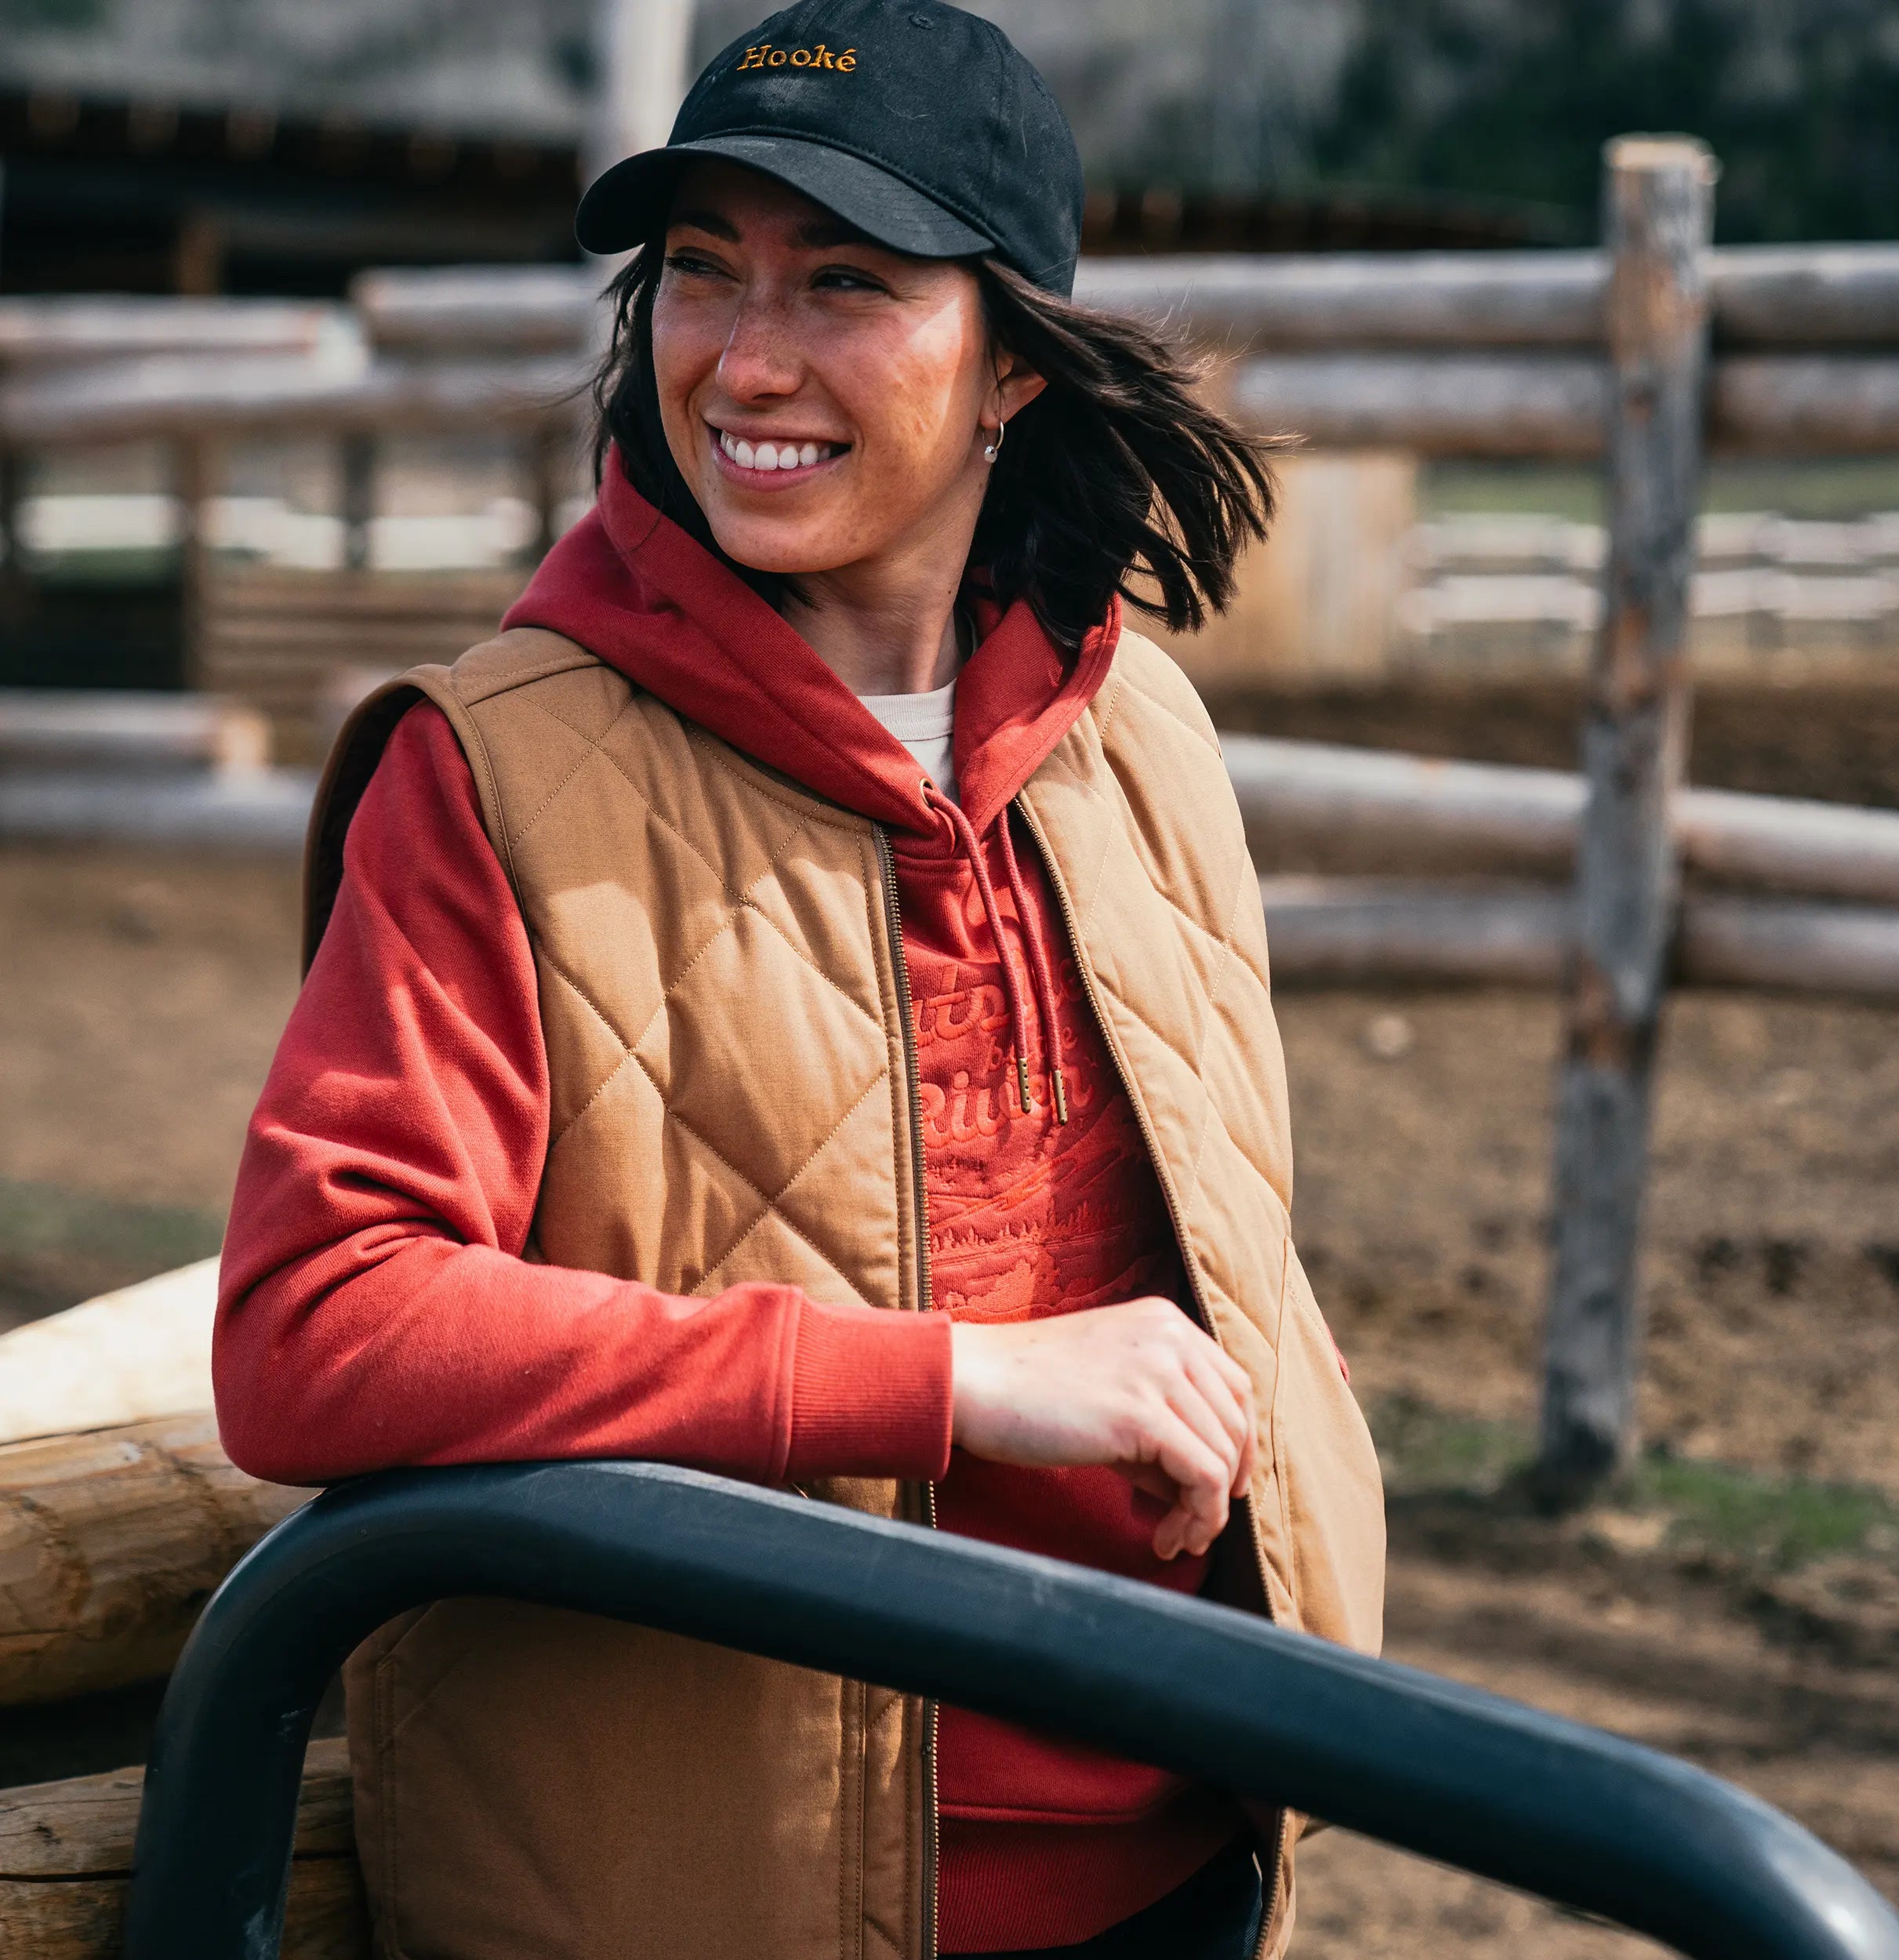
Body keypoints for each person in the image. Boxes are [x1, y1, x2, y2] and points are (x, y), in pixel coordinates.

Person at [215, 3, 1385, 1955]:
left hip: (1196, 1852)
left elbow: (1235, 1248)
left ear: (1012, 355)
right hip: (706, 1898)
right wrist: (951, 1382)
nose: (746, 359)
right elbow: (317, 1324)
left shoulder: (1138, 734)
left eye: (843, 281)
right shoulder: (493, 771)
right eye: (699, 273)